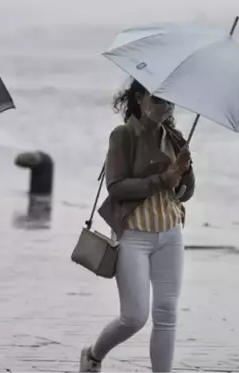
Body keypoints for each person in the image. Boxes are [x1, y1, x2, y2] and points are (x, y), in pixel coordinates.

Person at [79, 79, 195, 373]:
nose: (165, 106)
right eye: (158, 99)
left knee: (167, 313)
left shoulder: (176, 138)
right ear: (140, 98)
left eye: (169, 101)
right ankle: (93, 355)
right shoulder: (123, 136)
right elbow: (116, 186)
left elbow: (185, 192)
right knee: (134, 317)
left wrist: (185, 173)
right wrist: (164, 179)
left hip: (170, 232)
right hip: (134, 234)